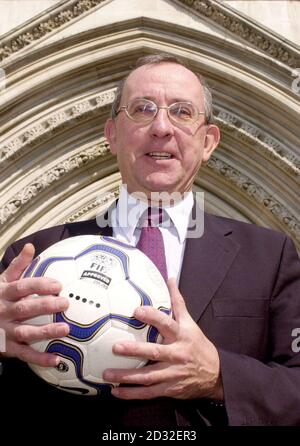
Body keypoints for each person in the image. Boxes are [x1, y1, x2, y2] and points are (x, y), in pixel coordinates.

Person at [0, 53, 300, 431]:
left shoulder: (270, 257)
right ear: (111, 135)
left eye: (182, 112)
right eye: (142, 109)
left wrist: (220, 377)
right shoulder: (34, 259)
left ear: (208, 142)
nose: (161, 127)